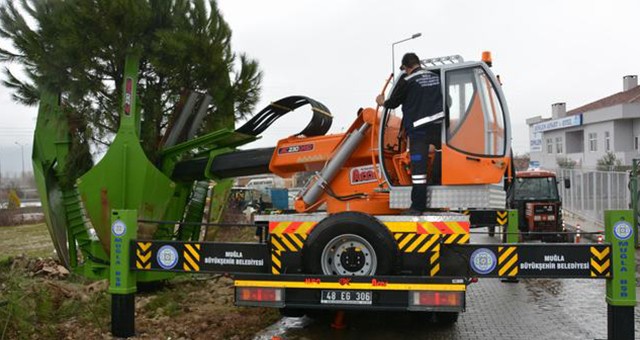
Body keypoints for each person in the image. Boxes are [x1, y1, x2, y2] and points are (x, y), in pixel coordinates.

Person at [376, 53, 443, 214]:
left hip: (419, 131)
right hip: (438, 128)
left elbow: (393, 103)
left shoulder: (407, 81)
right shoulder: (436, 77)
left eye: (404, 70)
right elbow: (447, 99)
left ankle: (417, 207)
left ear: (406, 67)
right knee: (440, 158)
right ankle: (437, 187)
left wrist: (382, 102)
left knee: (418, 171)